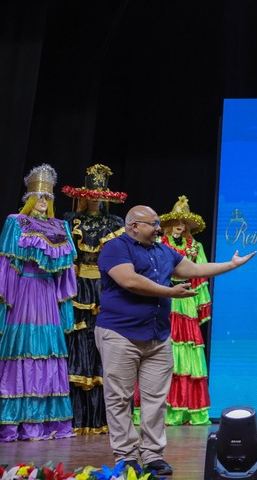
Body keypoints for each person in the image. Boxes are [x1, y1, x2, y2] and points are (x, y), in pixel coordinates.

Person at [95, 204, 256, 475]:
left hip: (157, 336)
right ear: (134, 226)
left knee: (156, 401)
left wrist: (231, 265)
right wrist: (169, 292)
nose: (159, 228)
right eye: (153, 223)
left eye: (158, 223)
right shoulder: (116, 248)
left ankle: (153, 455)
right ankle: (126, 457)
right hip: (120, 334)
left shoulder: (163, 251)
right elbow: (130, 281)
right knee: (119, 399)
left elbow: (194, 268)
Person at [0, 164, 77, 441]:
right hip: (24, 293)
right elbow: (8, 264)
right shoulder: (16, 222)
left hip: (47, 294)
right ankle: (16, 422)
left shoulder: (60, 227)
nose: (43, 201)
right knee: (24, 349)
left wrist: (64, 307)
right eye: (39, 197)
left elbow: (66, 272)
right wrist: (6, 300)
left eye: (48, 197)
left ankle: (46, 421)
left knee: (47, 351)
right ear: (30, 198)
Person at [132, 195, 213, 426]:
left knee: (185, 352)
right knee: (160, 349)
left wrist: (199, 303)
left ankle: (185, 408)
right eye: (176, 221)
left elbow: (200, 275)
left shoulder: (195, 247)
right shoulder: (159, 245)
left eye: (184, 223)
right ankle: (157, 409)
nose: (180, 225)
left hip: (185, 302)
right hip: (163, 298)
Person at [61, 163, 127, 436]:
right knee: (79, 339)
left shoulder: (115, 224)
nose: (96, 200)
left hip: (105, 286)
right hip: (78, 286)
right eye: (92, 195)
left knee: (104, 340)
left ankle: (103, 416)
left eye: (101, 196)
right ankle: (75, 416)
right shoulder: (72, 220)